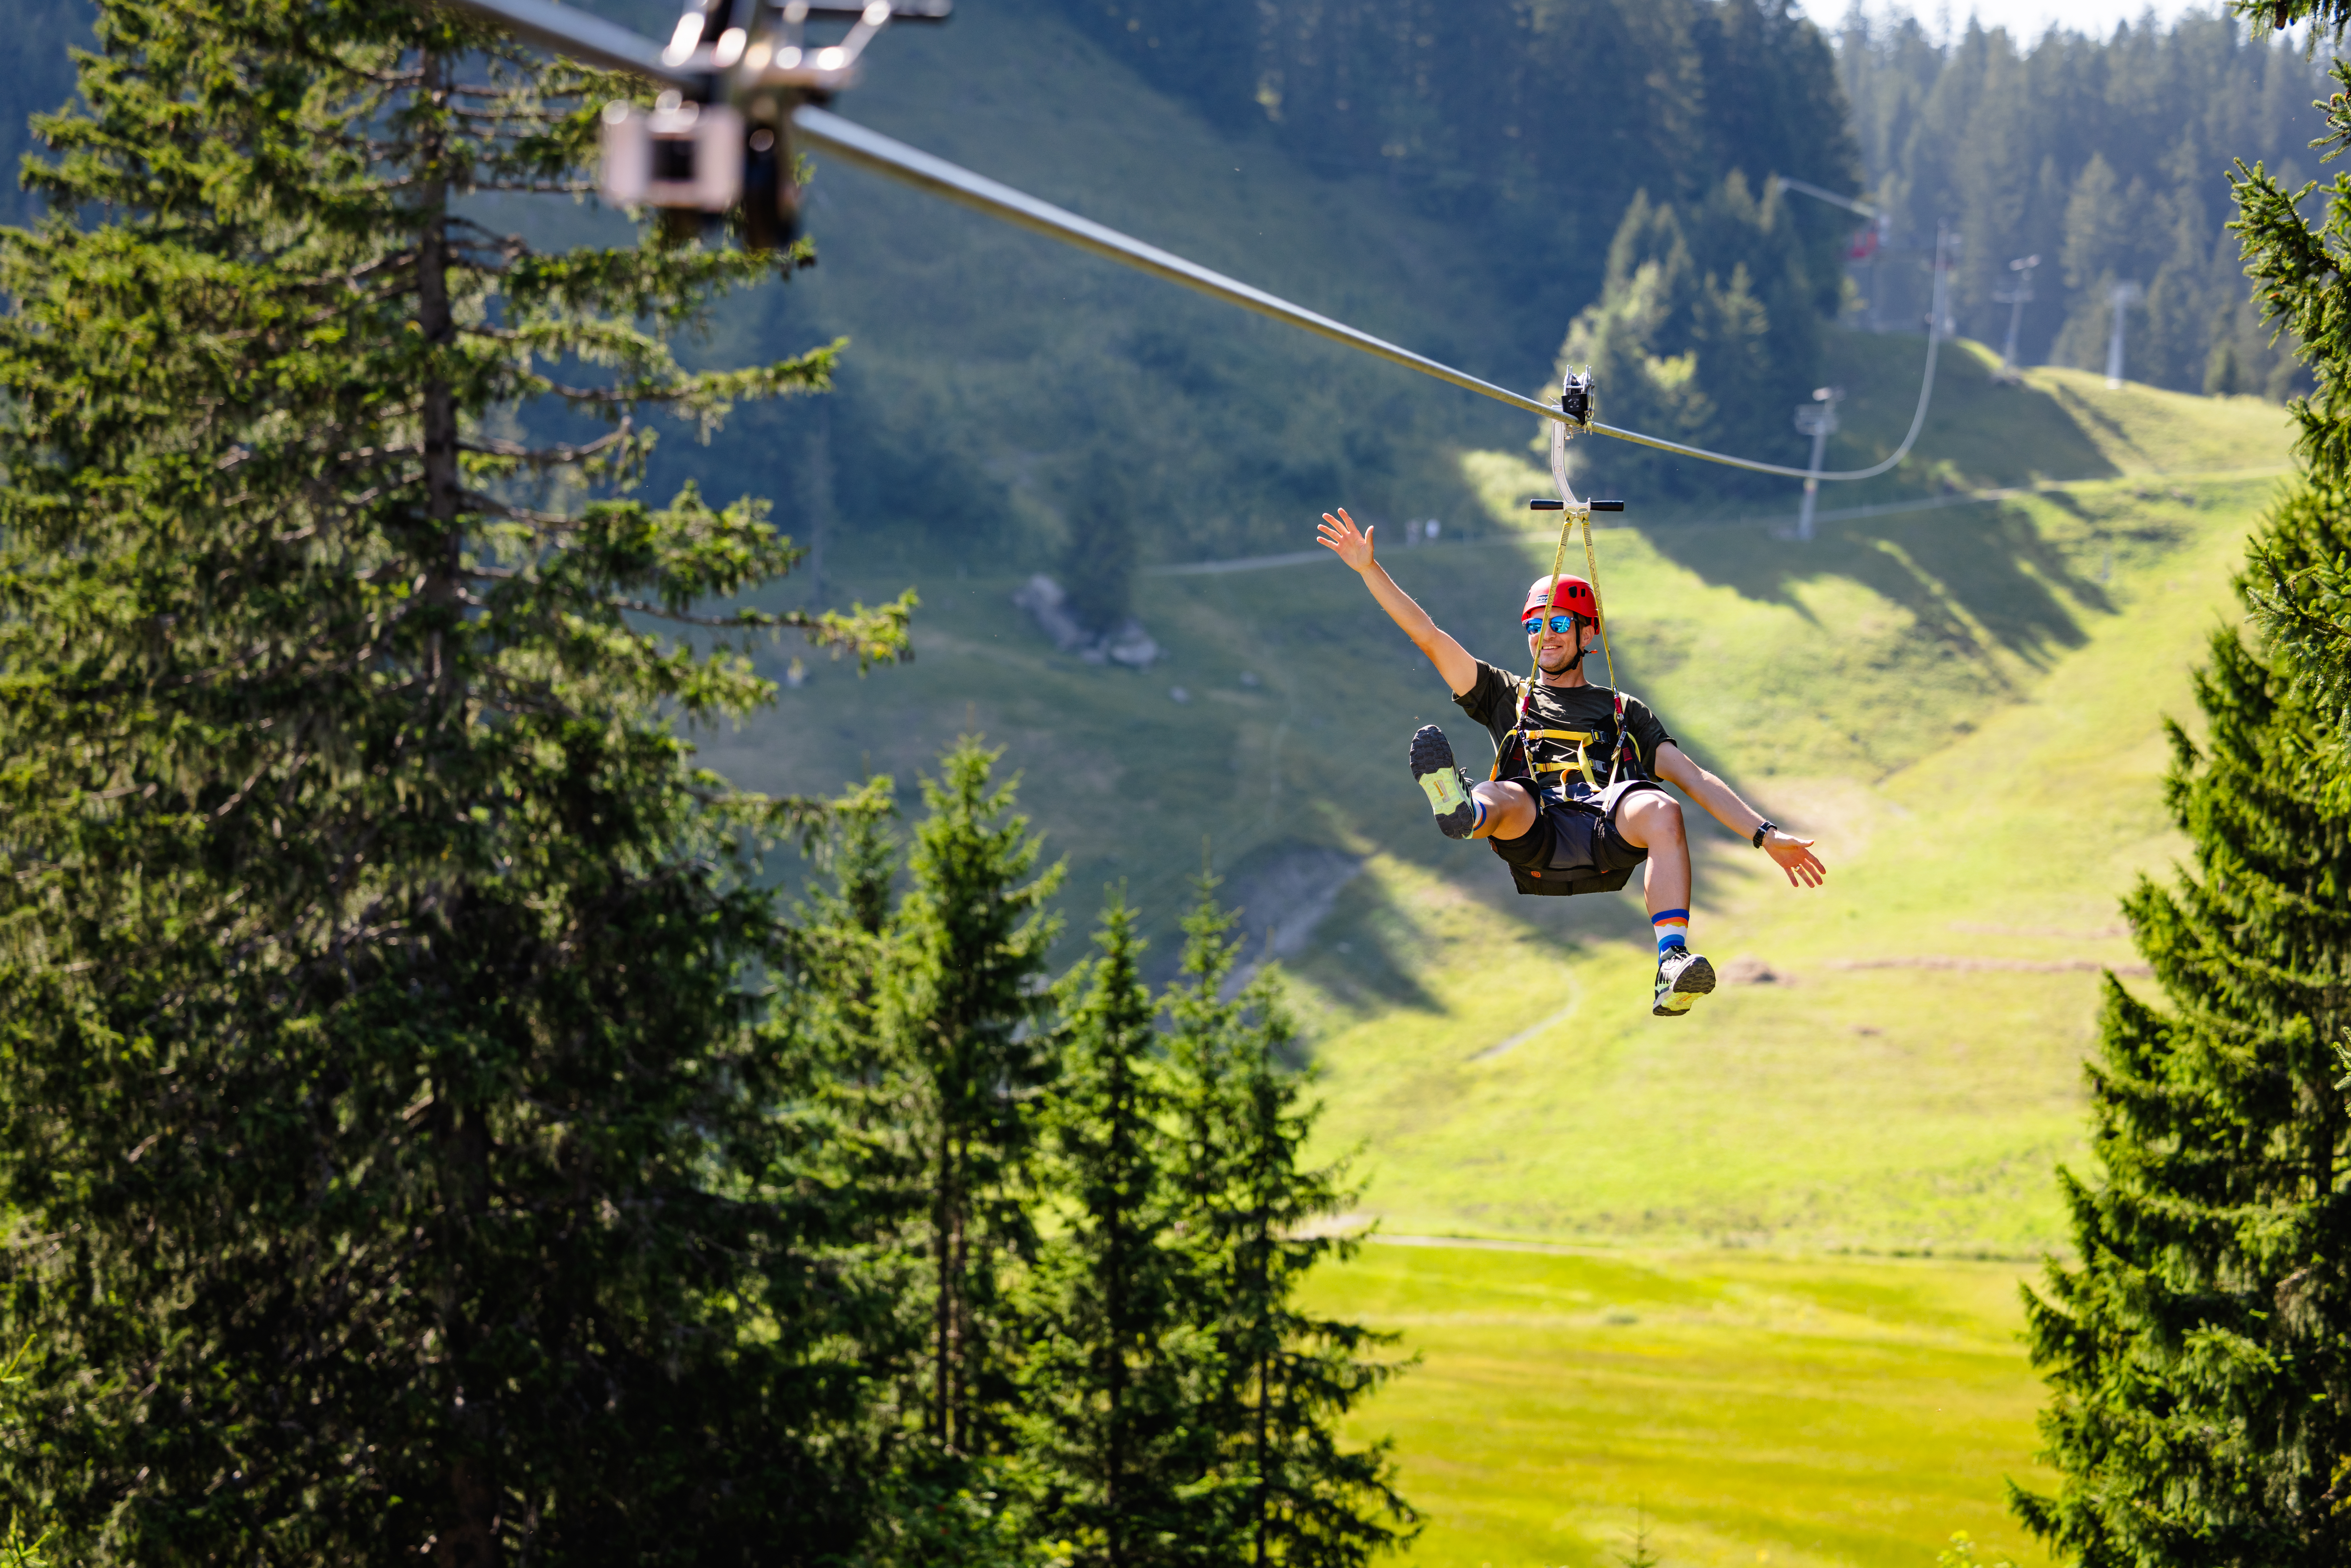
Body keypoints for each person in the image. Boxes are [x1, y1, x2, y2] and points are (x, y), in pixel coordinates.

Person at [1316, 507, 1827, 1017]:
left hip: (1606, 832)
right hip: (1532, 830)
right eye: (1535, 625)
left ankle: (1672, 962)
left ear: (1588, 635)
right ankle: (1463, 811)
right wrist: (1369, 570)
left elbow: (1694, 777)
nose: (1546, 634)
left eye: (1559, 623)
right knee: (1505, 793)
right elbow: (1427, 635)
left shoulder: (1624, 711)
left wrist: (1764, 834)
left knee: (1662, 807)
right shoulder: (1505, 695)